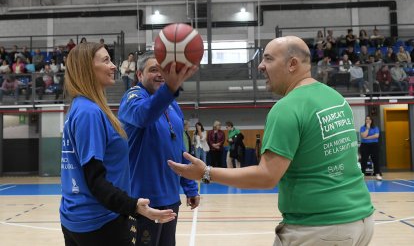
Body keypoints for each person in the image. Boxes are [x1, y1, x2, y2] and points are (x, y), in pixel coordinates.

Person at [168, 36, 375, 246]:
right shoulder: (336, 98)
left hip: (319, 227)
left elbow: (267, 176)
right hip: (361, 220)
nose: (260, 66)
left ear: (292, 64)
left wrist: (206, 172)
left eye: (268, 59)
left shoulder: (287, 107)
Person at [60, 43, 176, 246]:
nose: (114, 66)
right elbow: (95, 179)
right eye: (106, 60)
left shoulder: (80, 108)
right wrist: (134, 206)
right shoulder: (89, 112)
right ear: (88, 68)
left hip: (78, 218)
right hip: (99, 222)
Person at [118, 51, 200, 246]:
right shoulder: (132, 98)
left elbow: (180, 147)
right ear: (139, 75)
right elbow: (144, 115)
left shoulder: (172, 104)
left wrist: (189, 187)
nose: (160, 74)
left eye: (163, 70)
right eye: (153, 70)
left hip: (171, 197)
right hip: (142, 200)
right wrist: (170, 88)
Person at [359, 116, 382, 181]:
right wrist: (368, 129)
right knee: (364, 160)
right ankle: (362, 174)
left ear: (371, 120)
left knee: (376, 160)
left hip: (374, 145)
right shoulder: (362, 128)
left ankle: (377, 174)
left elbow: (376, 136)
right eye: (366, 119)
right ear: (365, 120)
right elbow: (363, 136)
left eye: (369, 119)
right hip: (364, 146)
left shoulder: (375, 128)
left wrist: (367, 138)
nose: (368, 120)